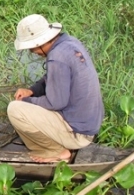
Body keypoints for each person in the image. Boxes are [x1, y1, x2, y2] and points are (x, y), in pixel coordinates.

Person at [7, 14, 104, 163]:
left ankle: (56, 151)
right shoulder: (69, 43)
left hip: (78, 133)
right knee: (27, 105)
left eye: (32, 49)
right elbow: (51, 78)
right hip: (88, 123)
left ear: (40, 43)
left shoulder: (57, 57)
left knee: (15, 109)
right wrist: (32, 90)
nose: (33, 53)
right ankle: (59, 143)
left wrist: (27, 101)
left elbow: (55, 103)